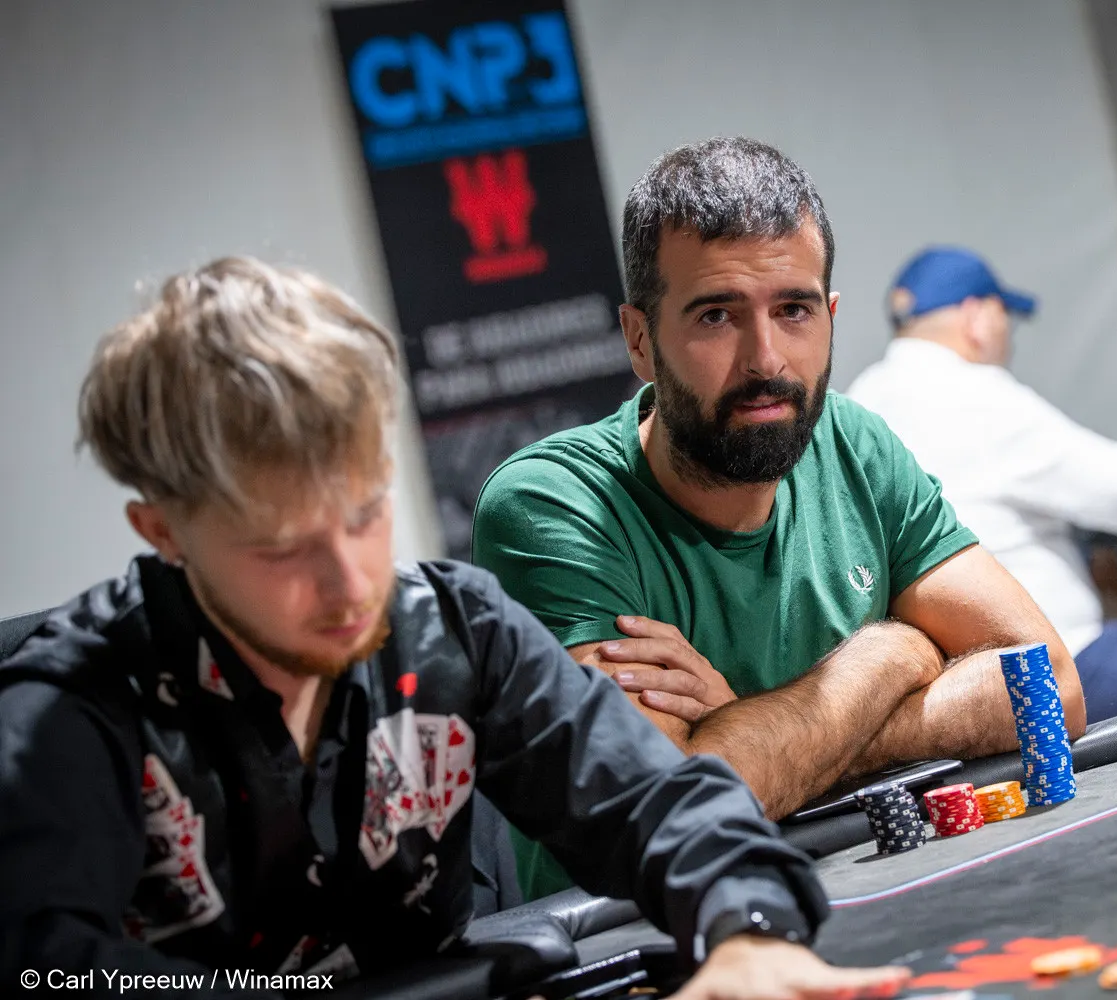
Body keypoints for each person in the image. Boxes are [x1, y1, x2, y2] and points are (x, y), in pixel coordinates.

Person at [0, 257, 912, 999]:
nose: (350, 583)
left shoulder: (453, 631)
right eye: (282, 549)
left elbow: (662, 805)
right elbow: (45, 966)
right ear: (163, 532)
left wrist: (749, 933)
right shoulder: (64, 714)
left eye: (365, 514)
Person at [472, 137, 1086, 901]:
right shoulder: (553, 504)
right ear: (640, 340)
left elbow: (1053, 687)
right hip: (651, 936)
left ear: (830, 317)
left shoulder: (853, 443)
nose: (766, 359)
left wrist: (759, 728)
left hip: (866, 895)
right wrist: (889, 654)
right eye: (716, 316)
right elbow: (670, 814)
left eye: (793, 310)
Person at [846, 248, 1117, 723]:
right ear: (977, 317)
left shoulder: (859, 406)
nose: (1009, 338)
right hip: (1050, 666)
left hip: (948, 687)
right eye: (1006, 319)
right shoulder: (977, 394)